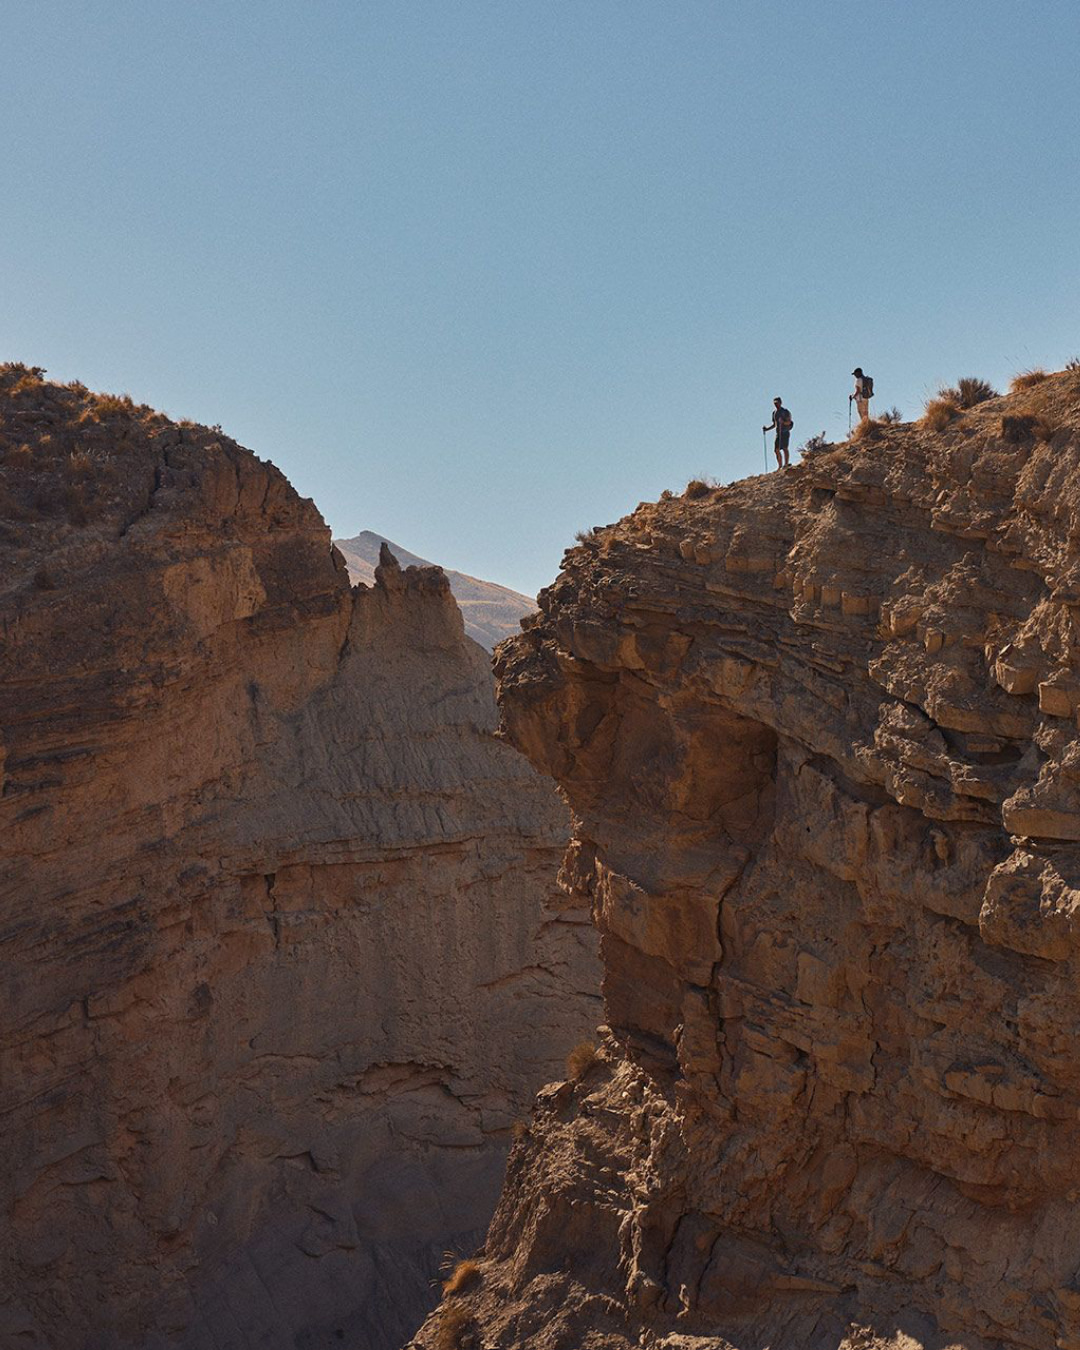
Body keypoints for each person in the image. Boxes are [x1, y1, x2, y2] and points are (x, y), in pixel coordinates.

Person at [763, 397, 793, 469]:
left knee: (785, 448)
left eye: (777, 403)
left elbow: (789, 422)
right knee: (776, 450)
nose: (776, 405)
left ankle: (786, 464)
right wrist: (767, 429)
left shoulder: (785, 412)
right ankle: (780, 466)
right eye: (775, 403)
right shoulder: (774, 413)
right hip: (778, 433)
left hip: (785, 432)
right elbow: (774, 424)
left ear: (780, 402)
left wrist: (783, 422)